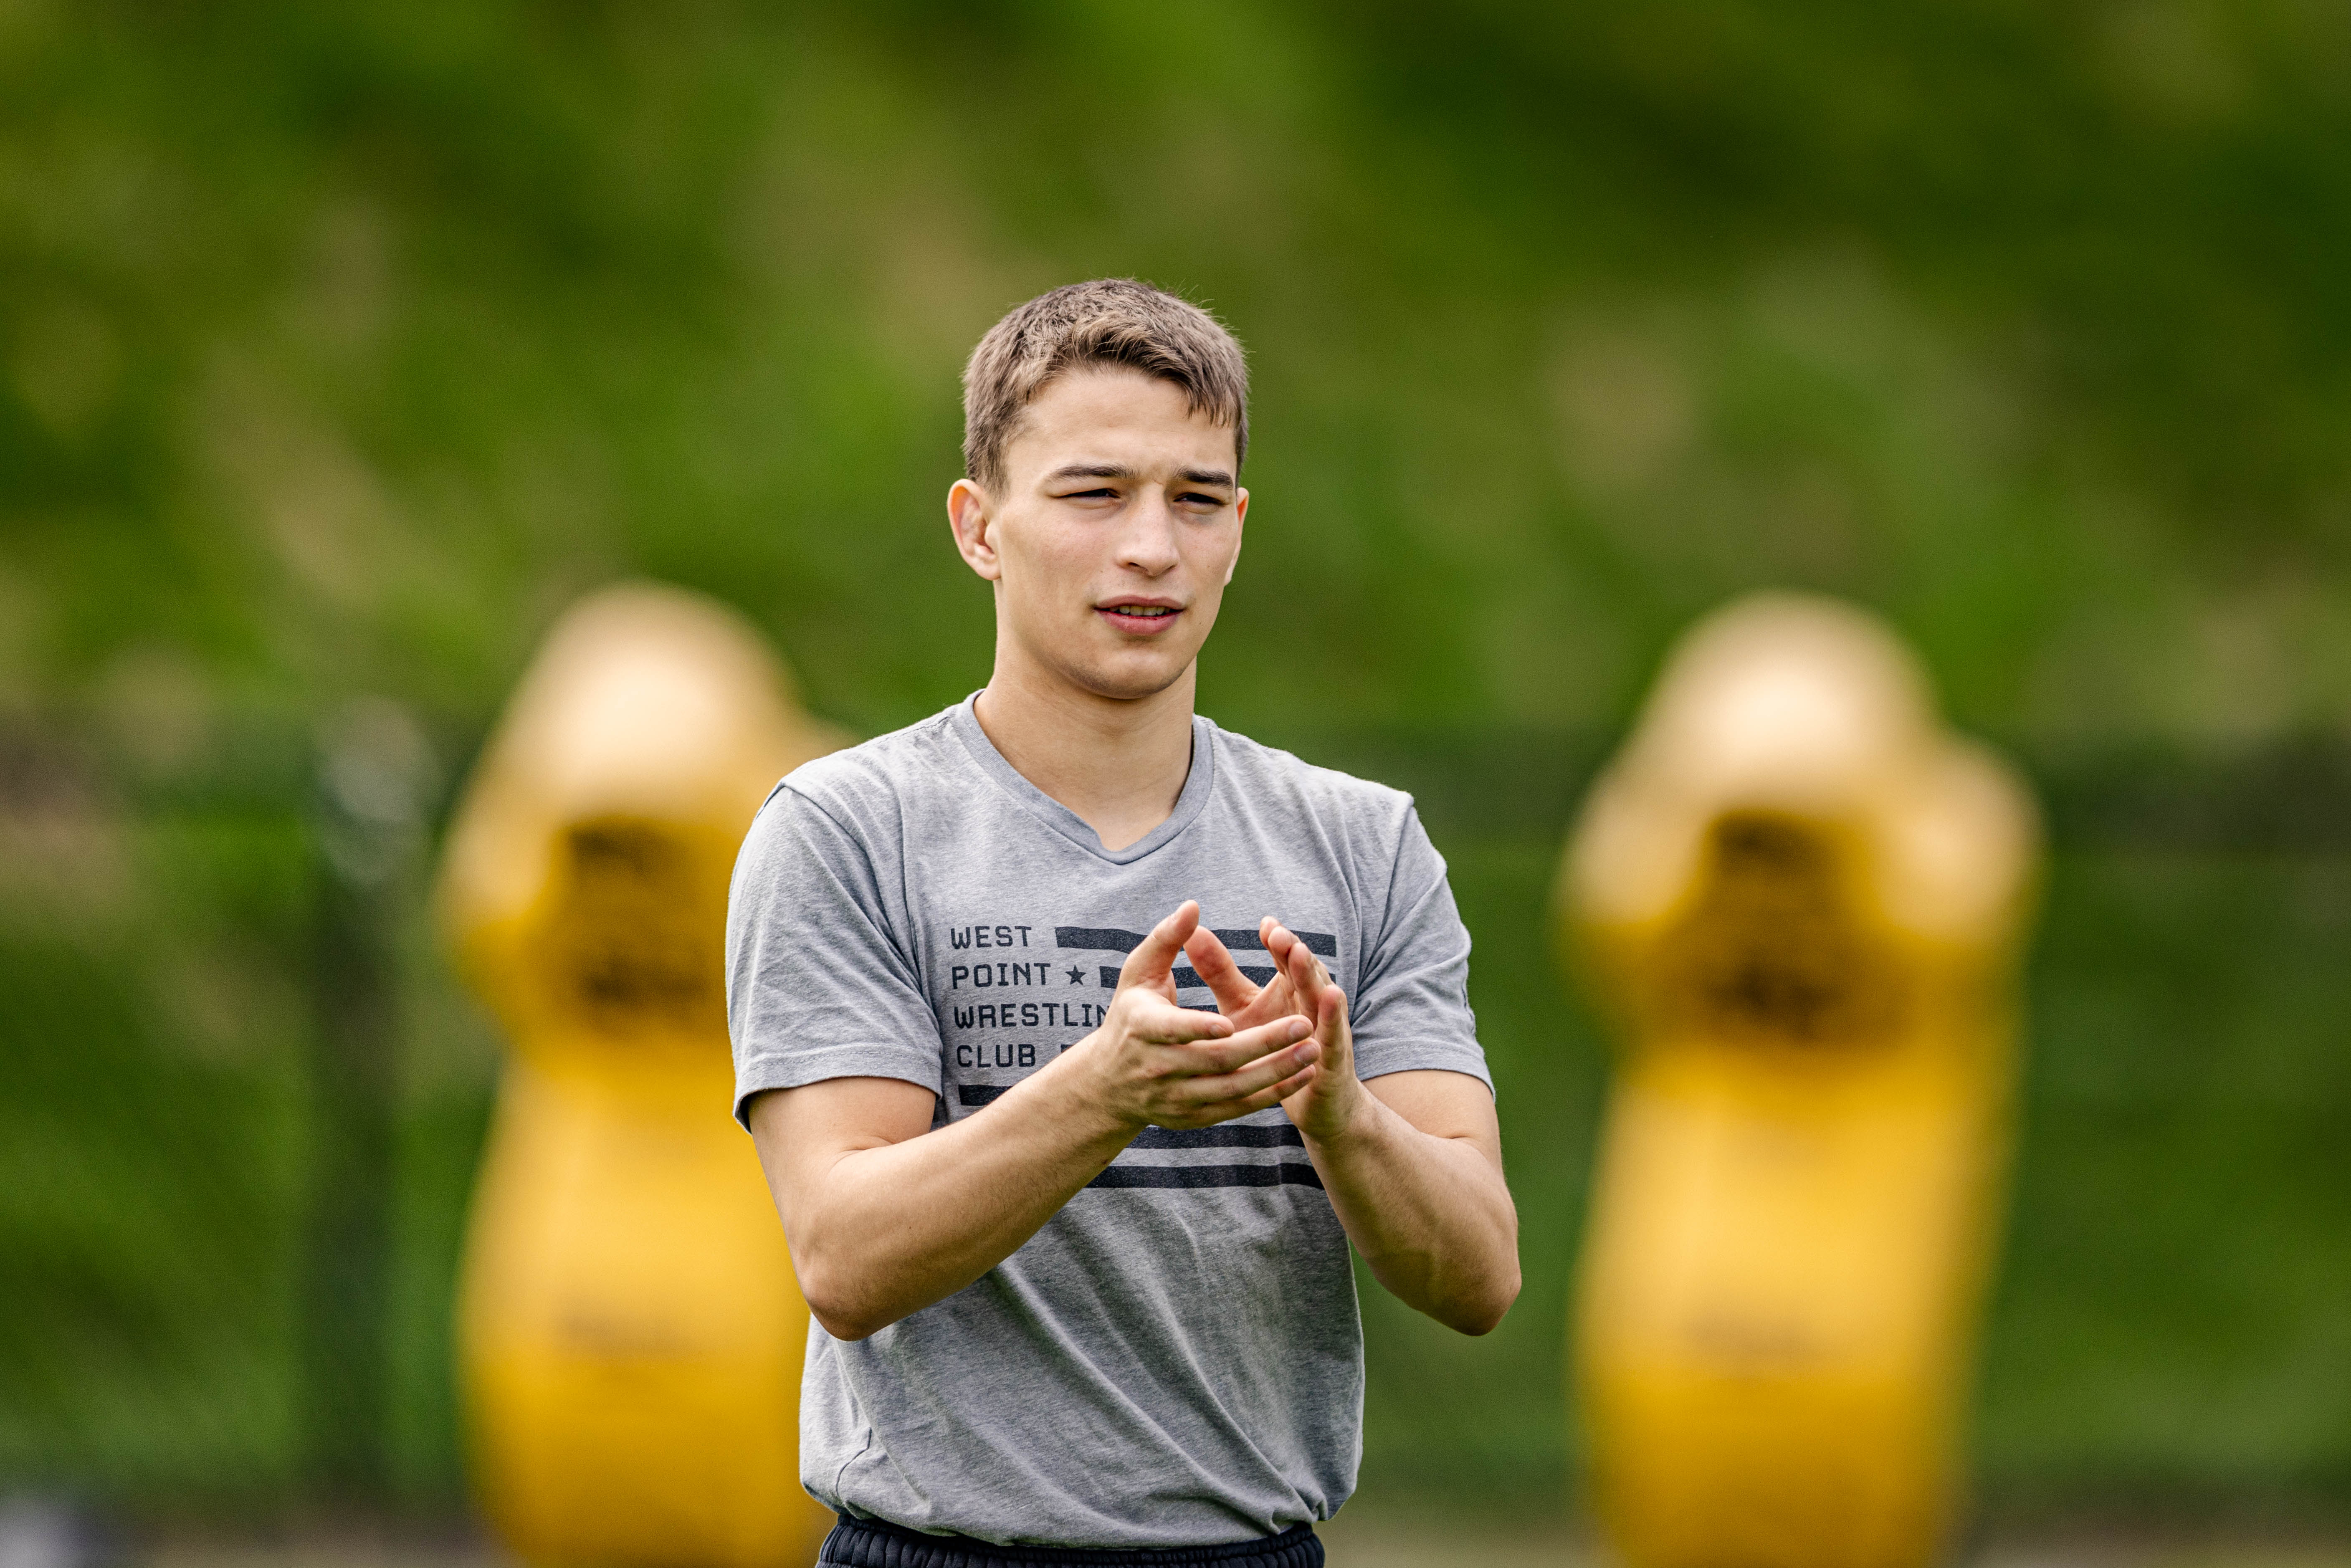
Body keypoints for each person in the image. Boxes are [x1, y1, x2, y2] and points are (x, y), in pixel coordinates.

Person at [727, 278, 1521, 1568]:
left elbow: (1478, 1273)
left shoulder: (1364, 842)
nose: (1151, 545)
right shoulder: (844, 827)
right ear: (978, 527)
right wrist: (1108, 1086)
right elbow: (845, 1251)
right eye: (1095, 493)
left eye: (1196, 499)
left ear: (1239, 530)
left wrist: (1339, 1111)